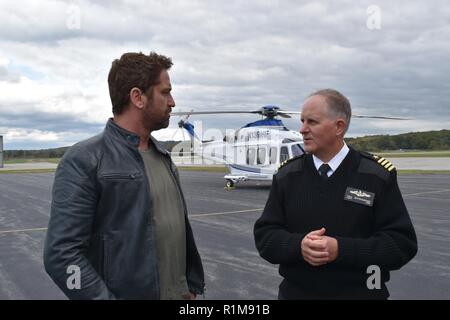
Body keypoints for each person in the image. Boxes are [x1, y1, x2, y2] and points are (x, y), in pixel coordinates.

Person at [44, 52, 204, 300]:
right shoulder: (85, 160)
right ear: (138, 97)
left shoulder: (163, 157)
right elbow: (62, 257)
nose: (172, 102)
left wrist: (190, 286)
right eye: (165, 92)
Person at [254, 89, 417, 299]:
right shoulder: (287, 175)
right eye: (302, 121)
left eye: (312, 122)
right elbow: (265, 237)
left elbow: (401, 244)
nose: (302, 129)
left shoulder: (376, 175)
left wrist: (341, 249)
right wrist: (298, 246)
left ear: (339, 126)